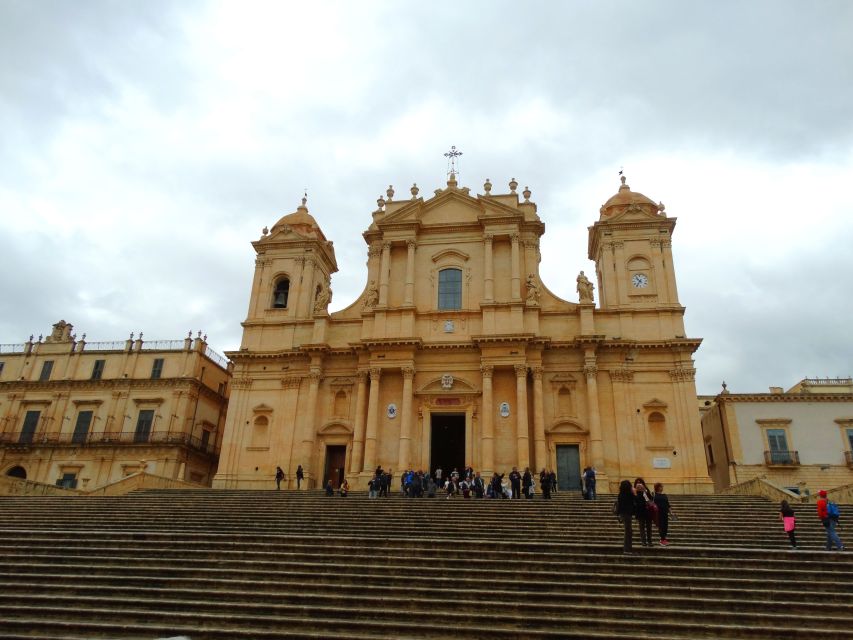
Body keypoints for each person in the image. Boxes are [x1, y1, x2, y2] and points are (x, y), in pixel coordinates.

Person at [615, 479, 635, 554]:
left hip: (623, 514)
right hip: (627, 514)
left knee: (628, 531)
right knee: (628, 532)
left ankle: (627, 549)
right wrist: (634, 493)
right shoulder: (630, 494)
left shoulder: (620, 494)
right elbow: (634, 501)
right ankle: (627, 549)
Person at [634, 478, 654, 547]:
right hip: (640, 512)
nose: (639, 484)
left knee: (649, 527)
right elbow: (635, 502)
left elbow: (650, 500)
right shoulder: (634, 493)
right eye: (637, 483)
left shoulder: (646, 492)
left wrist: (645, 492)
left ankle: (649, 541)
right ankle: (643, 541)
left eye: (640, 483)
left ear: (643, 484)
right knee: (641, 528)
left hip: (647, 512)